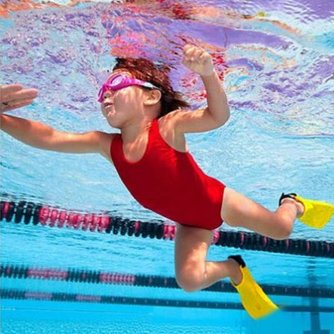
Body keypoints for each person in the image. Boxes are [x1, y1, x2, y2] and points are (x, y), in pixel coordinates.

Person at [1, 44, 333, 319]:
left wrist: (207, 75)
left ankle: (292, 202)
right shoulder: (107, 144)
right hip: (189, 222)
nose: (104, 96)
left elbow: (217, 117)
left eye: (115, 86)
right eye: (102, 90)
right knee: (189, 280)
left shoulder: (168, 127)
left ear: (150, 97)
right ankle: (234, 270)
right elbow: (50, 137)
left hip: (219, 201)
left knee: (281, 229)